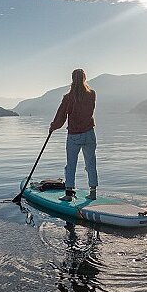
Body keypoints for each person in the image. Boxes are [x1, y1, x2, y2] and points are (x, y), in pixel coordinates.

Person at [49, 68, 98, 202]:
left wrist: (53, 127)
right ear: (84, 78)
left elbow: (60, 116)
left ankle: (69, 194)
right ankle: (93, 192)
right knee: (91, 163)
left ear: (72, 79)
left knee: (71, 165)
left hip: (74, 135)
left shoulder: (68, 98)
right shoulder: (92, 94)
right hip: (89, 134)